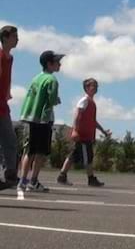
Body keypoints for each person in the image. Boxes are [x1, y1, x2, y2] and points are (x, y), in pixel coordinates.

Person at [18, 50, 64, 193]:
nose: (60, 64)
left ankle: (22, 180)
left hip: (31, 117)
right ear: (49, 64)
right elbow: (51, 100)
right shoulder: (52, 80)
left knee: (30, 150)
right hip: (43, 120)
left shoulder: (36, 78)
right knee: (40, 152)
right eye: (57, 61)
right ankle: (33, 181)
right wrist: (56, 100)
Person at [56, 78, 111, 187]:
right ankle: (91, 179)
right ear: (86, 88)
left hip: (86, 135)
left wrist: (103, 131)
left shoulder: (91, 103)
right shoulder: (84, 100)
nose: (95, 88)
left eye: (96, 86)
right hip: (82, 136)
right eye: (92, 85)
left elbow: (93, 121)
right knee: (88, 157)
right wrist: (75, 131)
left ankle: (62, 176)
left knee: (72, 156)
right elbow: (77, 115)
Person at [0, 25, 19, 190]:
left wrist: (7, 93)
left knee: (10, 140)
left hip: (2, 105)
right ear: (5, 38)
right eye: (14, 36)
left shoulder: (10, 58)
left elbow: (7, 77)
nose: (17, 39)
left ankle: (10, 173)